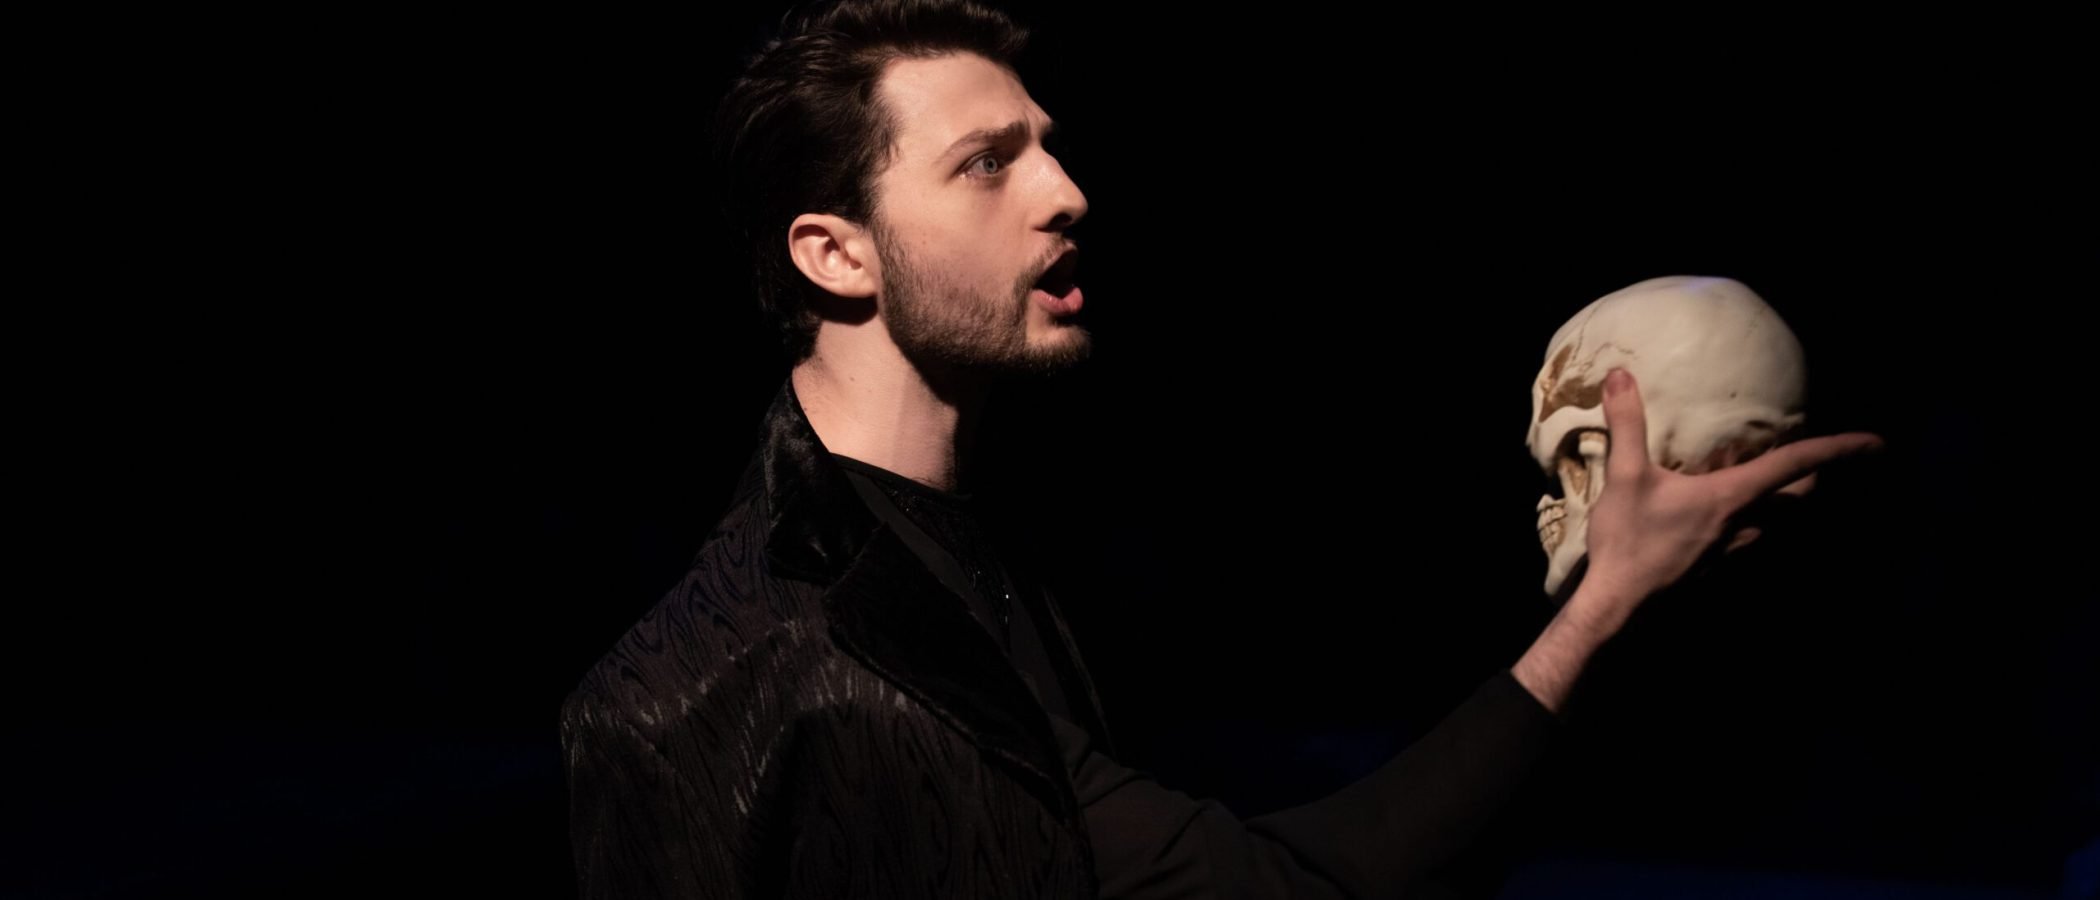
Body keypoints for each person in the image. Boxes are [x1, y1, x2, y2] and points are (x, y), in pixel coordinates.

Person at [557, 1, 1887, 896]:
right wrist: (1595, 620)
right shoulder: (782, 665)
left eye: (1051, 151)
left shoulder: (943, 558)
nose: (1067, 192)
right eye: (987, 163)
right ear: (835, 252)